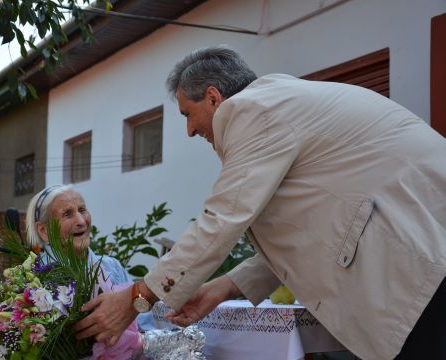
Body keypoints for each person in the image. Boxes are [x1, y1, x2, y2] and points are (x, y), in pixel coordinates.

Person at [74, 46, 446, 360]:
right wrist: (220, 289)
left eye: (188, 114)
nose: (189, 131)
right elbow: (313, 230)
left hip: (419, 267)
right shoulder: (280, 105)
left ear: (214, 97)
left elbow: (221, 221)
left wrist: (136, 299)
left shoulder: (251, 110)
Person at [26, 184, 143, 359]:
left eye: (82, 210)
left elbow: (143, 323)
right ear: (44, 231)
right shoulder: (32, 280)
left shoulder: (112, 267)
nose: (81, 221)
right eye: (67, 214)